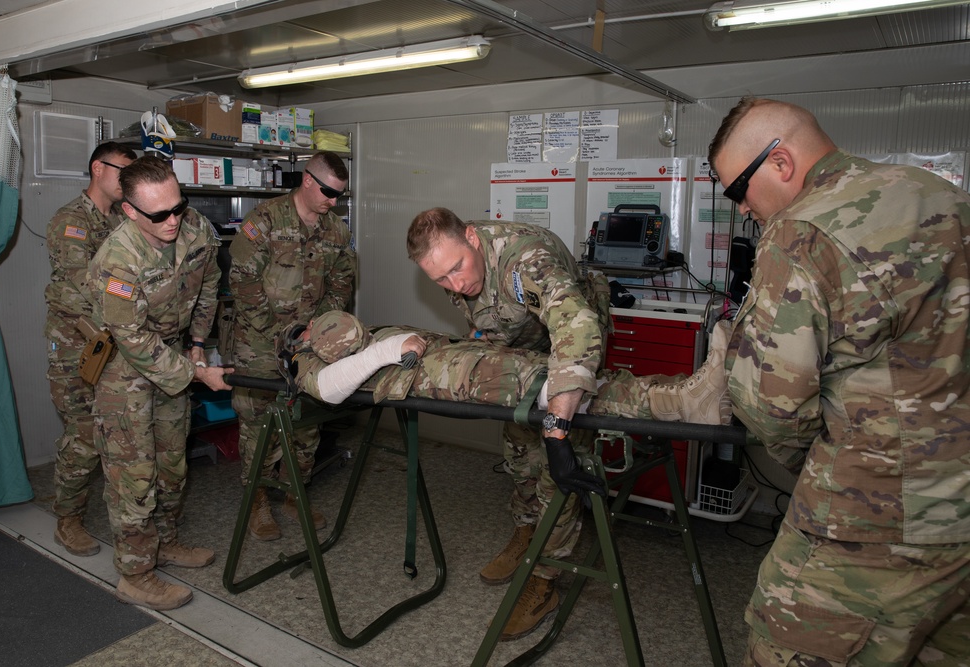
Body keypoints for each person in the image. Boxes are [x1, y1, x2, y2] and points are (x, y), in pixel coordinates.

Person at [709, 96, 970, 666]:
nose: (745, 210)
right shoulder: (942, 194)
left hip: (872, 521)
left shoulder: (803, 230)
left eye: (738, 192)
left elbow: (771, 406)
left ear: (779, 162)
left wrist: (817, 461)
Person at [405, 208, 628, 640]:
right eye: (441, 281)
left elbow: (577, 329)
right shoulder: (457, 262)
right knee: (519, 450)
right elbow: (491, 321)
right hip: (526, 352)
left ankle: (544, 582)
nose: (455, 285)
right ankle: (526, 533)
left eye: (457, 269)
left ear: (471, 236)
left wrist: (559, 430)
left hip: (572, 347)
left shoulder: (526, 258)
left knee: (558, 470)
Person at [87, 156, 234, 611]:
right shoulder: (117, 260)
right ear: (130, 211)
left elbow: (208, 285)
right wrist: (197, 373)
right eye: (159, 214)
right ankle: (135, 573)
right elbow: (132, 340)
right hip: (123, 370)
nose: (173, 220)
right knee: (135, 475)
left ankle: (164, 543)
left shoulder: (195, 231)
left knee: (172, 463)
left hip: (174, 353)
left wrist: (196, 343)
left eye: (178, 207)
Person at [280, 310, 731, 429]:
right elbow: (329, 389)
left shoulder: (333, 337)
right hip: (443, 375)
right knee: (554, 388)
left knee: (562, 372)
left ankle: (685, 392)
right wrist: (387, 350)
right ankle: (683, 403)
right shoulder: (305, 360)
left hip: (453, 360)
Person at [228, 151, 355, 542]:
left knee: (305, 425)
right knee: (259, 426)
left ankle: (294, 494)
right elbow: (242, 281)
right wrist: (275, 333)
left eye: (340, 196)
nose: (334, 203)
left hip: (309, 345)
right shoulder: (264, 221)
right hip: (260, 342)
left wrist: (321, 329)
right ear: (307, 180)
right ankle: (258, 501)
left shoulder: (336, 231)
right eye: (329, 193)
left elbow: (341, 281)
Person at [44, 141, 137, 557]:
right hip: (76, 346)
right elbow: (87, 285)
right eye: (123, 172)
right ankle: (67, 517)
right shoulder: (71, 221)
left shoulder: (122, 219)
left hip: (114, 341)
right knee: (82, 433)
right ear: (98, 168)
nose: (128, 182)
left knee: (114, 432)